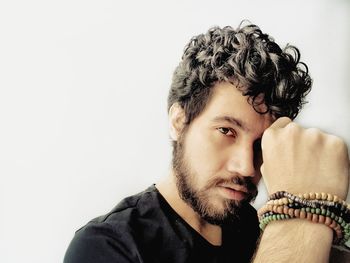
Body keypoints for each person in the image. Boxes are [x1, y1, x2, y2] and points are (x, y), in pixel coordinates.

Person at [64, 22, 349, 262]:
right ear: (179, 121)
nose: (247, 166)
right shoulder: (108, 246)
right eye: (226, 131)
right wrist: (299, 218)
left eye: (261, 144)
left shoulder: (262, 229)